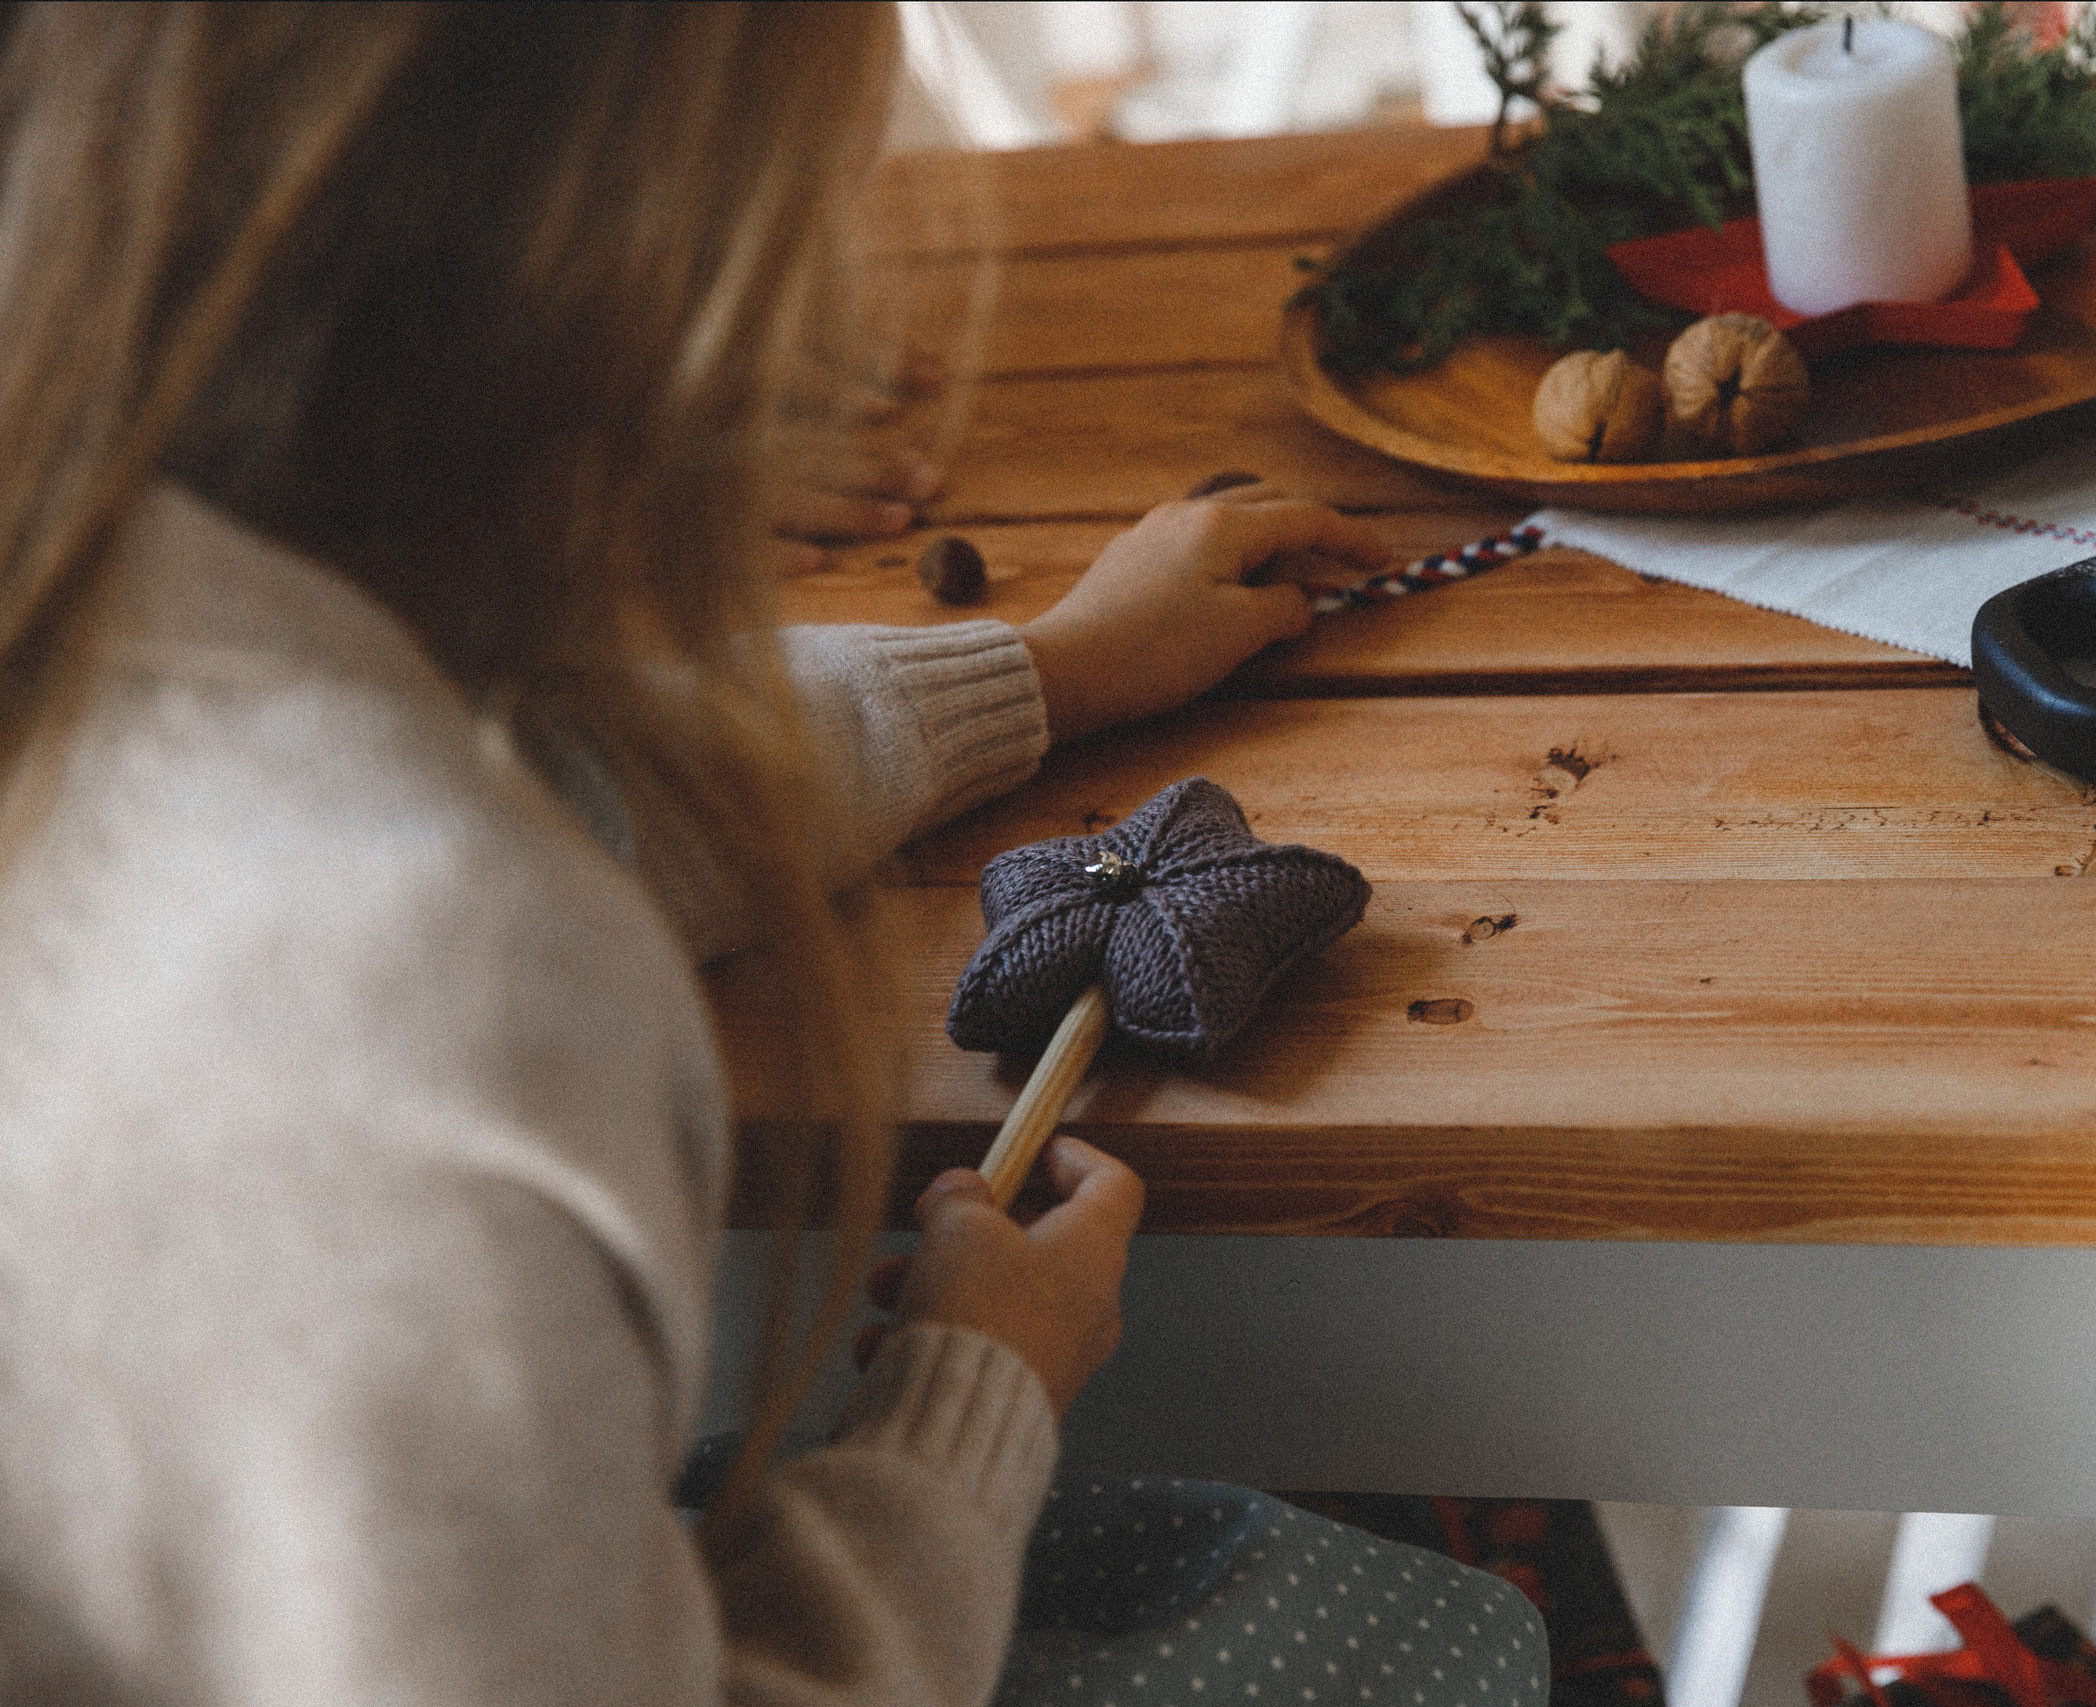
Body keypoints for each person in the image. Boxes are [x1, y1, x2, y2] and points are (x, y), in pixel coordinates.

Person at [0, 5, 1547, 1704]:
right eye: (823, 217)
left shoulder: (108, 598)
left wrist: (1057, 666)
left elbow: (591, 780)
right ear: (622, 301)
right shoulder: (441, 992)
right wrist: (972, 1402)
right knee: (1425, 1637)